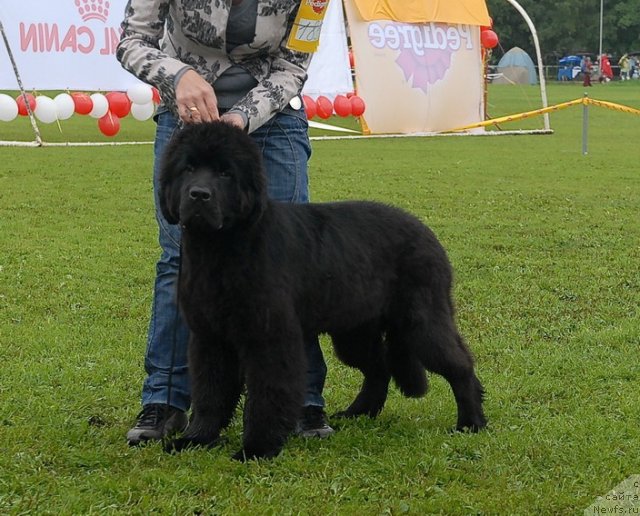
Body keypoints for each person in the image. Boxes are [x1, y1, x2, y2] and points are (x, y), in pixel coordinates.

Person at [116, 0, 334, 445]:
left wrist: (241, 118)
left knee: (290, 262)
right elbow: (131, 42)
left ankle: (303, 400)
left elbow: (294, 63)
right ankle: (166, 399)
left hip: (272, 115)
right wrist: (177, 75)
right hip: (185, 117)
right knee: (181, 258)